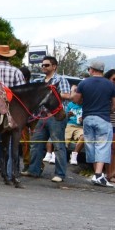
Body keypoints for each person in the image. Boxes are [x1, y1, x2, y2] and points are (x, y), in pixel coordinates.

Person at [25, 55, 73, 183]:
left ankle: (60, 174)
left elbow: (67, 95)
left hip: (56, 116)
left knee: (58, 145)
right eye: (43, 65)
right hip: (42, 116)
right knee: (36, 143)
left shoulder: (60, 80)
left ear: (54, 66)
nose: (43, 67)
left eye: (46, 65)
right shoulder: (41, 81)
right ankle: (34, 170)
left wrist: (51, 92)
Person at [73, 60, 115, 187]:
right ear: (102, 70)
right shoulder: (110, 85)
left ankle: (96, 174)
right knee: (103, 146)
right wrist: (108, 110)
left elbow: (76, 100)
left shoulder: (83, 83)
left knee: (91, 146)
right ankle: (99, 175)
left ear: (91, 69)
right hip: (103, 117)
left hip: (87, 117)